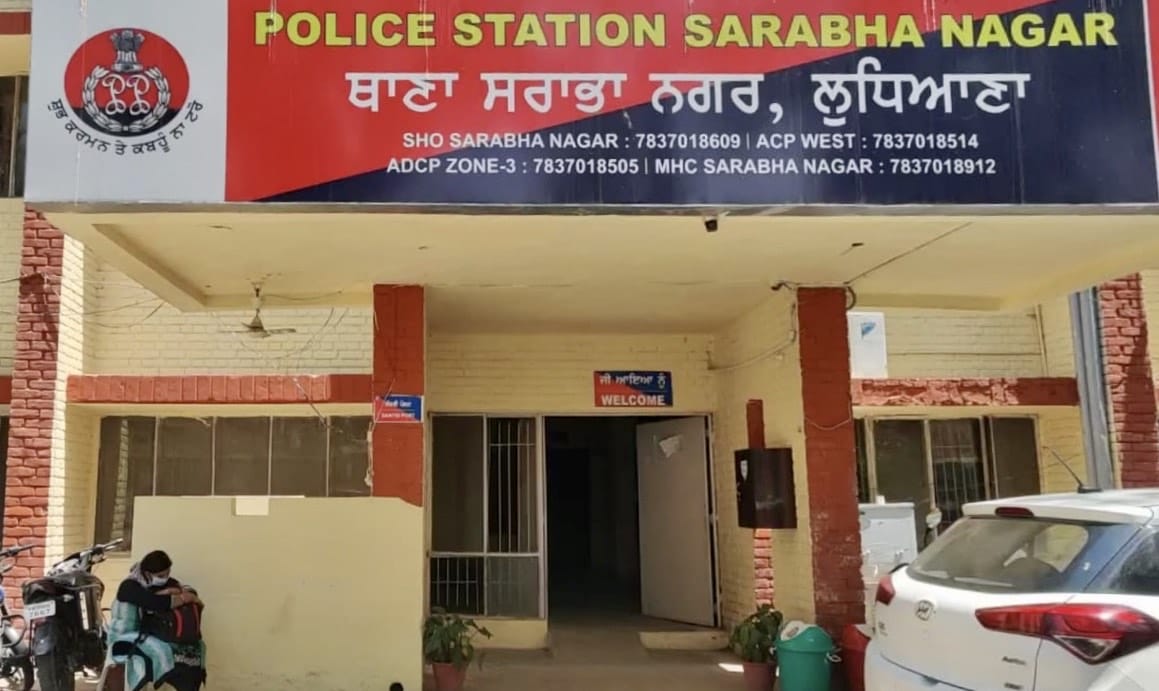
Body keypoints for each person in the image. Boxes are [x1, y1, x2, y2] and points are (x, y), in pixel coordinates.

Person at [107, 550, 206, 691]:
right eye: (161, 576)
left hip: (148, 633)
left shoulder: (163, 581)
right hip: (124, 637)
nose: (165, 578)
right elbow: (153, 602)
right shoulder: (129, 586)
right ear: (147, 574)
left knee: (194, 649)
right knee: (161, 654)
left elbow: (188, 591)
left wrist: (177, 593)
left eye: (168, 573)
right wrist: (180, 597)